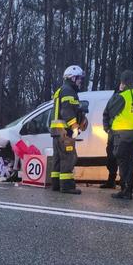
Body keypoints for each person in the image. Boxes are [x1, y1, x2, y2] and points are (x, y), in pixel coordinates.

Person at [102, 70, 133, 200]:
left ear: (123, 82)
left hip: (121, 134)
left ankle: (124, 190)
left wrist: (119, 92)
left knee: (123, 162)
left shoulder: (122, 96)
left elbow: (110, 110)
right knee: (132, 162)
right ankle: (129, 189)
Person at [49, 65, 87, 194]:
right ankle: (67, 186)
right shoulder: (69, 91)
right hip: (65, 132)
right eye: (79, 78)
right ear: (72, 78)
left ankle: (56, 185)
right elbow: (67, 110)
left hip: (57, 131)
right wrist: (75, 126)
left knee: (58, 159)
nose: (80, 81)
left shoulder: (61, 90)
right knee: (68, 158)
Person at [99, 87, 120, 189]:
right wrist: (107, 128)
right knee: (111, 159)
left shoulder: (130, 96)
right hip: (113, 134)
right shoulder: (114, 97)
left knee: (124, 160)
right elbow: (106, 113)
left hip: (123, 134)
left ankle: (126, 184)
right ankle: (111, 181)